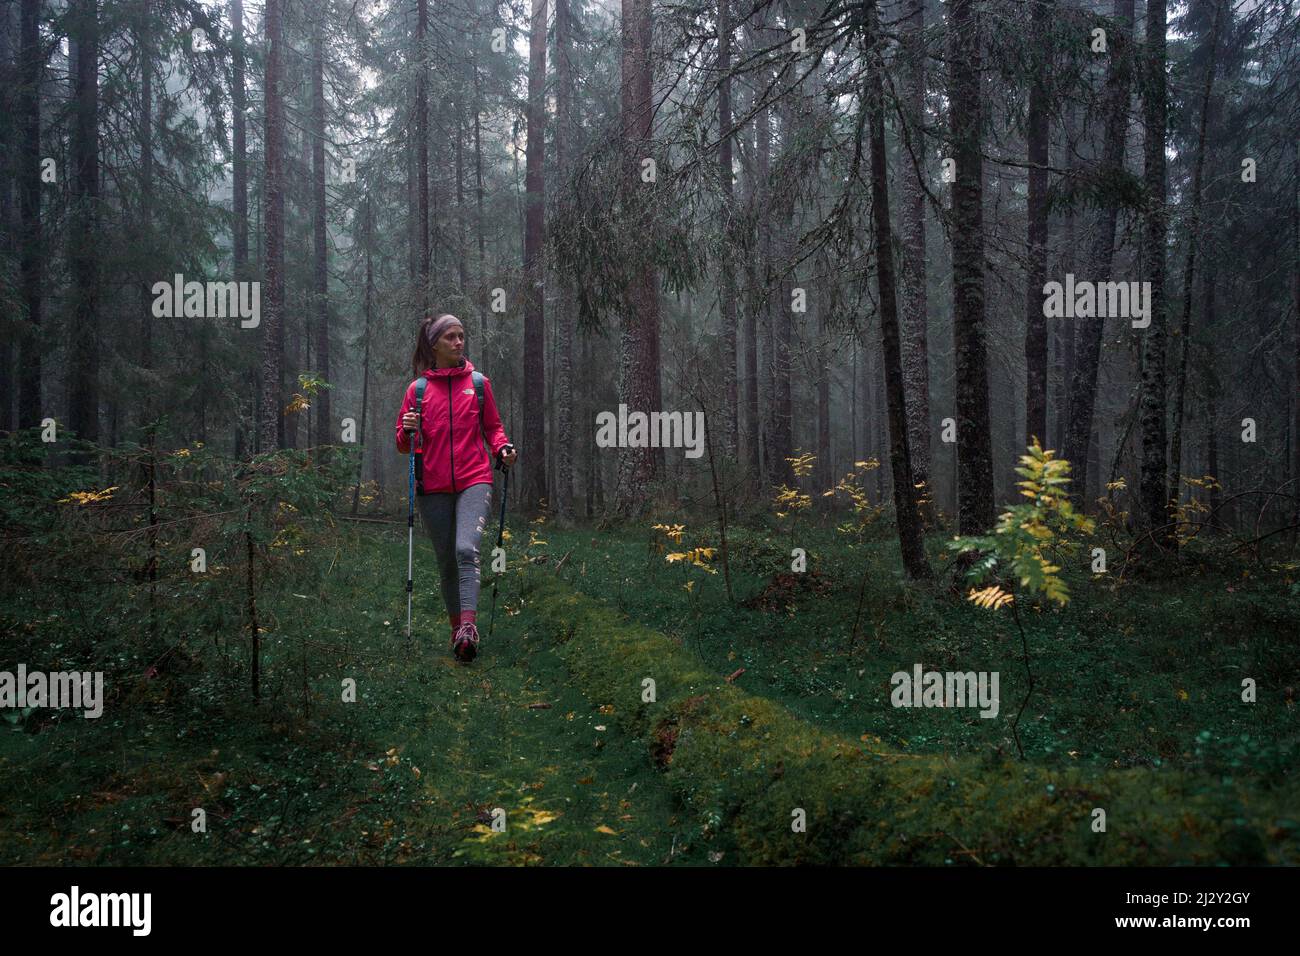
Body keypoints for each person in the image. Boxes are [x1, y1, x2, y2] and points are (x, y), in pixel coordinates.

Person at [396, 313, 517, 662]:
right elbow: (403, 445)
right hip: (432, 486)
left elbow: (493, 428)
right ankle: (456, 631)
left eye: (462, 335)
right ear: (434, 344)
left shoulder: (478, 384)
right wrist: (408, 429)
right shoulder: (417, 391)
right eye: (451, 337)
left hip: (474, 479)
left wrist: (503, 448)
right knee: (447, 561)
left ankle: (468, 627)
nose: (459, 342)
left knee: (466, 549)